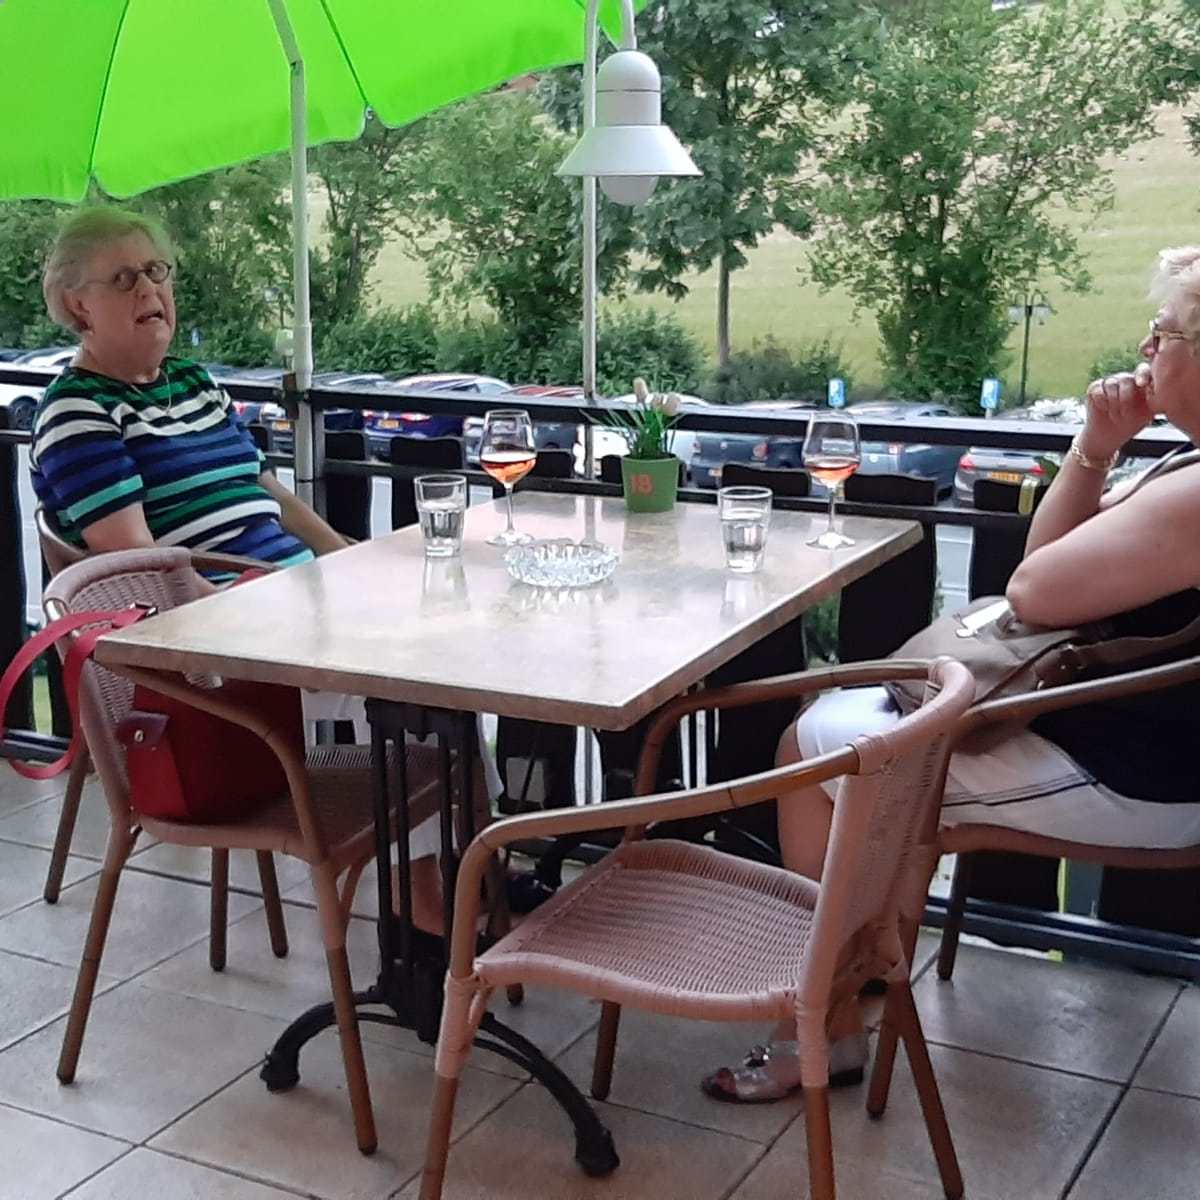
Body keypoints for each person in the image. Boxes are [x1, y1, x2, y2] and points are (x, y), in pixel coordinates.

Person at [703, 245, 1200, 1103]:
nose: (1146, 351)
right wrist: (1095, 446)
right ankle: (855, 986)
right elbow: (1049, 562)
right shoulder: (1183, 466)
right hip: (1124, 739)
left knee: (820, 757)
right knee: (862, 751)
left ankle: (824, 1025)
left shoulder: (1193, 494)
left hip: (1139, 774)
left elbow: (1033, 591)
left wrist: (1098, 453)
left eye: (1164, 335)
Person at [29, 205, 462, 932]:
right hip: (215, 651)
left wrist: (350, 560)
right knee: (417, 685)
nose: (150, 290)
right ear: (79, 307)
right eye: (125, 279)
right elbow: (140, 566)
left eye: (157, 271)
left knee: (452, 658)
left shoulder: (193, 383)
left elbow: (266, 492)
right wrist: (257, 616)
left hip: (290, 604)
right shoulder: (77, 412)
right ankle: (425, 904)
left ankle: (461, 869)